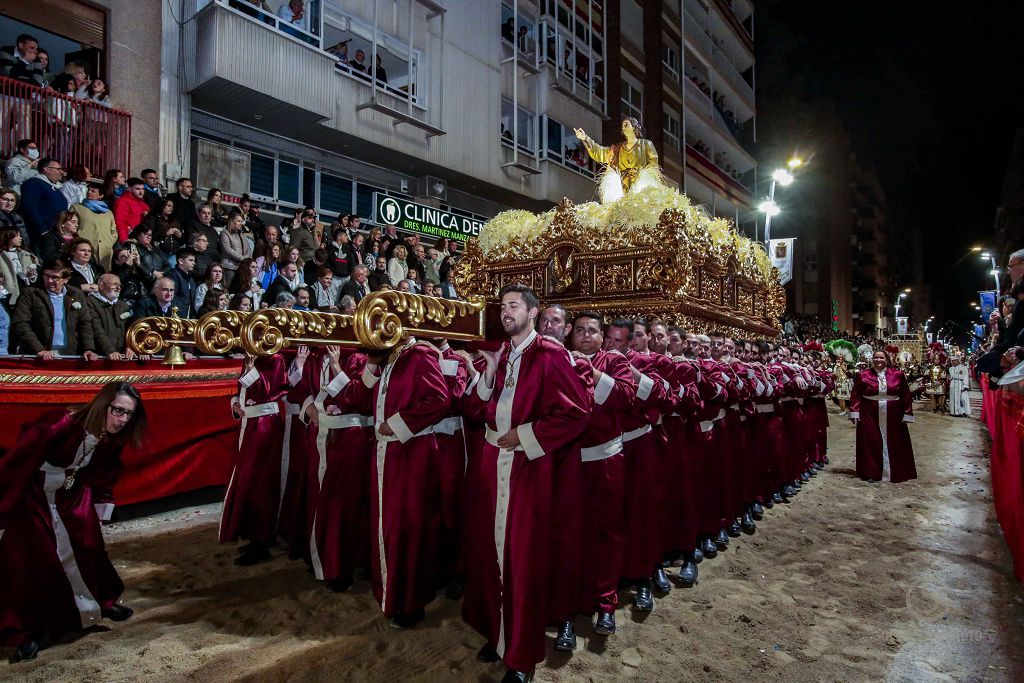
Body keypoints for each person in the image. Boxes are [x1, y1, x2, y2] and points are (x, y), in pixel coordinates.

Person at [461, 284, 590, 681]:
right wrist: (488, 373)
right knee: (488, 553)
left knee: (522, 561)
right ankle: (497, 633)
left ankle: (520, 657)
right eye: (503, 307)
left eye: (514, 306)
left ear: (533, 313)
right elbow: (473, 407)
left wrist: (526, 435)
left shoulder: (550, 355)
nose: (506, 313)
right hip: (491, 467)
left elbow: (576, 413)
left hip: (525, 471)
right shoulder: (503, 354)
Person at [0, 382, 147, 661]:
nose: (123, 419)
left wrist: (102, 502)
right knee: (35, 561)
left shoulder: (111, 435)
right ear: (103, 404)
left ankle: (101, 603)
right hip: (35, 496)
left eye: (129, 414)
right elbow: (17, 460)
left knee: (90, 547)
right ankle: (25, 631)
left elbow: (105, 468)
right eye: (118, 411)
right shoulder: (59, 424)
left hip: (73, 494)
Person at [361, 333, 451, 628]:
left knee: (411, 527)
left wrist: (396, 423)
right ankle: (393, 593)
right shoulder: (389, 358)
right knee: (389, 525)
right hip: (388, 451)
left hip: (412, 452)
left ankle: (413, 601)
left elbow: (438, 399)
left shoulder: (419, 355)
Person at [221, 354, 289, 565]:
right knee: (247, 484)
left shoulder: (276, 359)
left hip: (264, 427)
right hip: (249, 425)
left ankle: (261, 541)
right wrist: (236, 403)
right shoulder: (252, 357)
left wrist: (250, 368)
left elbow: (269, 391)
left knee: (260, 485)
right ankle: (255, 536)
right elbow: (241, 390)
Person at [849, 350, 917, 483]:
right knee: (871, 441)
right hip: (869, 413)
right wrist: (854, 412)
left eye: (881, 357)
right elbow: (856, 394)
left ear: (886, 359)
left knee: (895, 441)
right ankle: (871, 472)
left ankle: (897, 471)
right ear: (872, 359)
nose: (878, 360)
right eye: (876, 357)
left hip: (893, 413)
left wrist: (907, 412)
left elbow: (905, 395)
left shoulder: (898, 375)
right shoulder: (862, 375)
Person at [10, 259, 98, 360]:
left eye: (55, 277)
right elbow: (20, 323)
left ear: (66, 279)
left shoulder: (76, 294)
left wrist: (88, 348)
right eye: (46, 275)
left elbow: (85, 323)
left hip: (69, 353)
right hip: (38, 354)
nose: (49, 280)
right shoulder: (30, 293)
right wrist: (39, 349)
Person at [574, 117, 660, 196]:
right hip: (623, 187)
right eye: (623, 126)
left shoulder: (646, 144)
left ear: (634, 127)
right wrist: (585, 138)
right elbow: (600, 152)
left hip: (640, 187)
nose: (624, 128)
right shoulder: (617, 150)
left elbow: (653, 164)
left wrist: (644, 179)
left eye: (626, 125)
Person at [20, 158, 69, 248]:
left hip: (54, 234)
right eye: (58, 169)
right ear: (46, 169)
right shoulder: (34, 183)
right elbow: (29, 207)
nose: (62, 172)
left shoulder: (54, 187)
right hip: (40, 235)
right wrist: (43, 230)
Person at [85, 274, 134, 359]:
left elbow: (130, 329)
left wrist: (129, 347)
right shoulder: (90, 303)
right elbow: (97, 330)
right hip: (100, 356)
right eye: (114, 284)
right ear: (101, 286)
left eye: (119, 285)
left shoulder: (124, 306)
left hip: (121, 356)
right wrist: (109, 350)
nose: (118, 288)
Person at [72, 182, 118, 270]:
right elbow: (71, 225)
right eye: (88, 190)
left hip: (105, 249)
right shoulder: (76, 208)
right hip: (85, 247)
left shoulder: (108, 212)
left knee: (104, 274)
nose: (89, 192)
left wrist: (110, 241)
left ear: (101, 195)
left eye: (93, 191)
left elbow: (113, 229)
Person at [0, 227, 39, 306]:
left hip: (25, 290)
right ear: (8, 237)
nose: (20, 238)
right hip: (8, 293)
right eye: (17, 236)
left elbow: (33, 276)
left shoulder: (25, 254)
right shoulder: (1, 256)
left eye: (20, 235)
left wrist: (31, 275)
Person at [220, 210, 253, 288]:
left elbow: (248, 248)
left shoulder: (241, 234)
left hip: (240, 268)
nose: (240, 223)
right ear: (231, 221)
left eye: (241, 221)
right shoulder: (225, 233)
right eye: (238, 221)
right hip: (229, 267)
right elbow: (227, 249)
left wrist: (246, 260)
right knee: (228, 288)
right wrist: (242, 258)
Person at [113, 178, 150, 243]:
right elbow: (120, 223)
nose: (141, 192)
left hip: (142, 239)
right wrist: (124, 240)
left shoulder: (143, 204)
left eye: (143, 189)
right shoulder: (122, 202)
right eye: (137, 189)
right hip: (130, 238)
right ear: (129, 189)